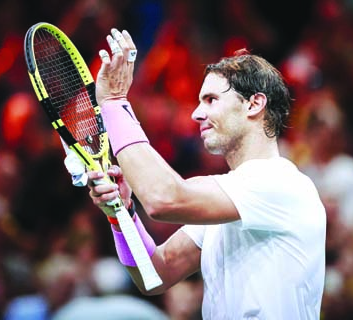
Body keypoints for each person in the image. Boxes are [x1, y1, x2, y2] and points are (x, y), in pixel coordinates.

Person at [65, 28, 326, 319]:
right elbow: (154, 273)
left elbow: (163, 198)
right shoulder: (228, 201)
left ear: (254, 104)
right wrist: (122, 213)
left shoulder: (280, 182)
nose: (196, 114)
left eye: (211, 99)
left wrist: (113, 104)